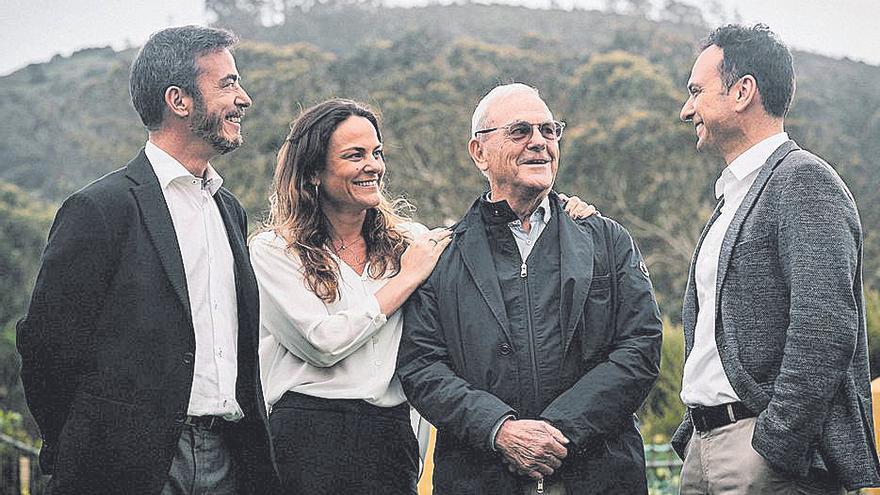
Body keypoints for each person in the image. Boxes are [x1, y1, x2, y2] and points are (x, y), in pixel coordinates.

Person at [250, 98, 596, 494]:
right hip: (305, 435)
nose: (373, 166)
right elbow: (322, 343)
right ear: (313, 171)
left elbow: (485, 240)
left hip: (390, 436)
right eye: (355, 155)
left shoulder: (413, 242)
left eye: (377, 153)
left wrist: (565, 211)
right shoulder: (275, 251)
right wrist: (406, 278)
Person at [16, 26, 279, 494]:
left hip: (231, 458)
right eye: (228, 84)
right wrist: (85, 449)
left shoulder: (230, 209)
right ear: (178, 100)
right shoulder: (101, 208)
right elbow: (46, 349)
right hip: (128, 467)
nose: (244, 98)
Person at [397, 83, 663, 495]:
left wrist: (557, 431)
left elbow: (640, 347)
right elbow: (422, 367)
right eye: (520, 131)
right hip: (480, 480)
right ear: (479, 152)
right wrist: (499, 429)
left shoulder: (607, 240)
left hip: (599, 477)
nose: (539, 141)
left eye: (549, 130)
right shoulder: (442, 256)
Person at [672, 24, 880, 494]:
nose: (687, 110)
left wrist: (774, 447)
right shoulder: (732, 197)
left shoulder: (804, 182)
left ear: (743, 91)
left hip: (760, 457)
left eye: (697, 91)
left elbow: (825, 327)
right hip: (705, 448)